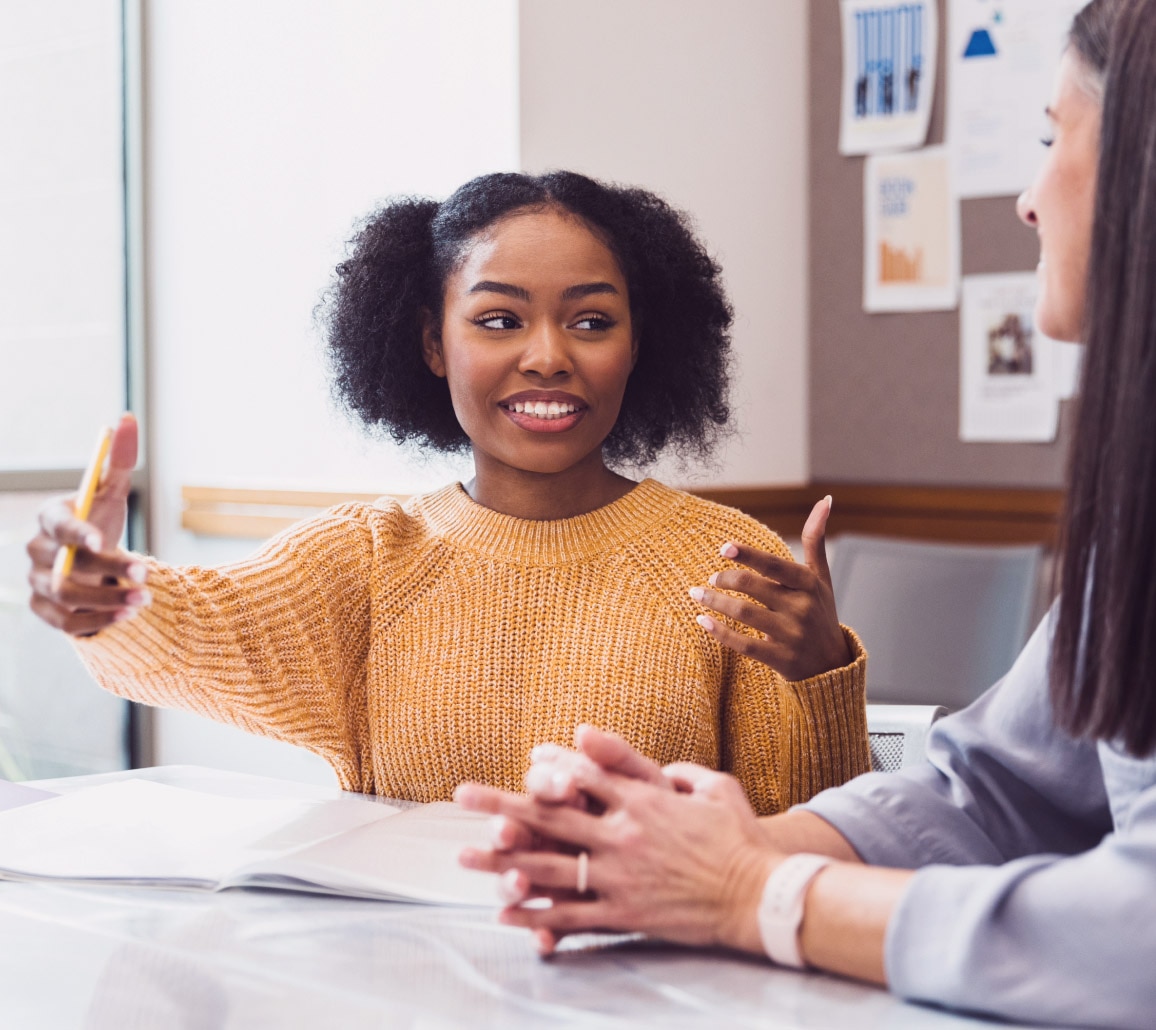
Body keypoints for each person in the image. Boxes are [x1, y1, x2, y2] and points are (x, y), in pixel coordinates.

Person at [453, 2, 1156, 1026]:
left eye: (1052, 139)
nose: (1027, 198)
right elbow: (999, 781)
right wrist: (679, 846)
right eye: (499, 318)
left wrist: (756, 895)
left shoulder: (707, 545)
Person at [25, 171, 869, 809]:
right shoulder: (368, 559)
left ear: (641, 344)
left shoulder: (724, 561)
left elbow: (812, 838)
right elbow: (202, 624)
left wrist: (823, 672)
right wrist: (104, 594)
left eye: (591, 320)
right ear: (433, 344)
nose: (547, 356)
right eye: (499, 320)